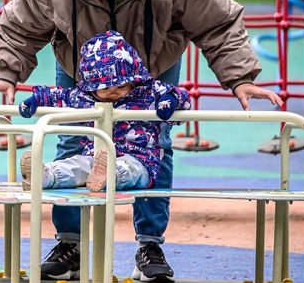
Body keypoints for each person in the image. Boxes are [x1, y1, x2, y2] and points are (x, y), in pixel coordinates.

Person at [0, 0, 283, 283]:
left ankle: (150, 245)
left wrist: (239, 78)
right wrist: (6, 72)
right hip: (85, 69)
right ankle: (69, 244)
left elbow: (218, 20)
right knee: (70, 137)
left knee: (155, 143)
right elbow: (20, 24)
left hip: (153, 60)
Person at [18, 31, 191, 203]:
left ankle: (110, 175)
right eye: (105, 89)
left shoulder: (146, 93)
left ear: (134, 80)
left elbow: (179, 96)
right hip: (94, 156)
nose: (113, 93)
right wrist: (35, 100)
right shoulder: (83, 97)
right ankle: (46, 175)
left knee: (131, 170)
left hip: (140, 158)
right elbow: (58, 96)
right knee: (76, 165)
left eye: (121, 87)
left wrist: (169, 101)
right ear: (92, 87)